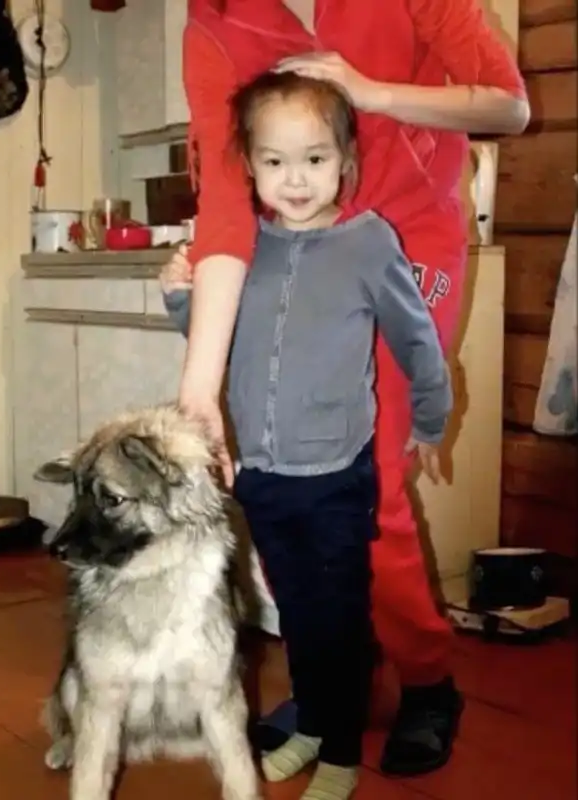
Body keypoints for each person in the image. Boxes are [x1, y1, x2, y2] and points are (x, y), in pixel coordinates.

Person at [172, 0, 529, 777]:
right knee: (285, 486)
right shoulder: (215, 22)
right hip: (292, 244)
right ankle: (334, 682)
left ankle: (426, 681)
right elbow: (227, 208)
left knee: (374, 489)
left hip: (404, 236)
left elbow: (510, 106)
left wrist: (371, 93)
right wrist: (200, 389)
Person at [162, 69, 453, 800]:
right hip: (262, 476)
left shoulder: (368, 243)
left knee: (338, 618)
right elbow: (223, 344)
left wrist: (431, 418)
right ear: (249, 165)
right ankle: (317, 725)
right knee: (295, 610)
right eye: (275, 161)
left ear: (345, 161)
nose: (295, 179)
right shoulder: (244, 251)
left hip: (334, 479)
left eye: (315, 158)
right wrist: (180, 300)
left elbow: (417, 341)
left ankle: (343, 753)